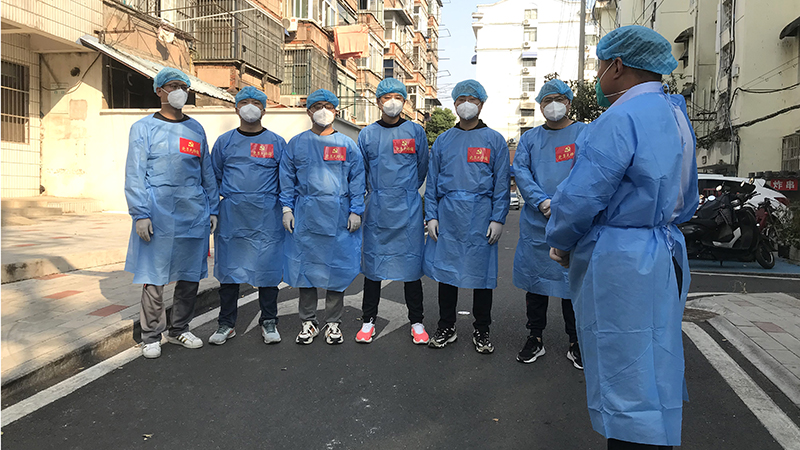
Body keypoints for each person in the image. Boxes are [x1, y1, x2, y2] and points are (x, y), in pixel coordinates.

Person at [545, 25, 698, 450]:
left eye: (599, 66)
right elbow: (688, 195)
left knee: (625, 371)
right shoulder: (675, 114)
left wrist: (561, 240)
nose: (597, 76)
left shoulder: (618, 120)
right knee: (657, 360)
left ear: (617, 65)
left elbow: (581, 198)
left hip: (622, 260)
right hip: (666, 249)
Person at [124, 67, 219, 359]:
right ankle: (151, 335)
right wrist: (140, 213)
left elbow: (206, 171)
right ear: (159, 91)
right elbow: (135, 173)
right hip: (158, 211)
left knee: (189, 276)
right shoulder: (143, 128)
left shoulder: (196, 129)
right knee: (155, 276)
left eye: (183, 87)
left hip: (193, 211)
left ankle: (180, 329)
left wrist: (213, 208)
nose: (180, 92)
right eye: (173, 86)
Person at [424, 79, 510, 354]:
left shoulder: (494, 140)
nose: (466, 104)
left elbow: (501, 184)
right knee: (447, 275)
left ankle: (482, 329)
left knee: (481, 276)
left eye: (472, 99)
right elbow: (432, 181)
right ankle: (446, 326)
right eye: (461, 99)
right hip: (448, 214)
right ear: (454, 104)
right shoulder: (443, 140)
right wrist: (431, 216)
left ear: (481, 104)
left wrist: (498, 218)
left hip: (481, 215)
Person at [280, 89, 366, 345]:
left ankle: (333, 322)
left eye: (328, 106)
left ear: (336, 111)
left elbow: (357, 179)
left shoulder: (347, 145)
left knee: (336, 269)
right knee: (305, 269)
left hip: (338, 216)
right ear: (308, 111)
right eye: (317, 106)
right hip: (306, 214)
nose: (323, 111)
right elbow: (286, 178)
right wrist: (286, 209)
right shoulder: (296, 144)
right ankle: (308, 321)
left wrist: (356, 210)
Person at [513, 79, 585, 368]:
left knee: (573, 284)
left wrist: (565, 204)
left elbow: (590, 171)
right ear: (540, 106)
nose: (553, 105)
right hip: (537, 221)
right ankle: (535, 337)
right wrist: (542, 202)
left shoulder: (585, 133)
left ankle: (576, 341)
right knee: (537, 283)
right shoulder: (530, 139)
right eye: (546, 101)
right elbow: (521, 171)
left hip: (574, 221)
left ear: (569, 101)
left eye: (558, 99)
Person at [208, 86, 286, 346]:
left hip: (268, 215)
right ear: (236, 108)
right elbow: (213, 177)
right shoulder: (224, 142)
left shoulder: (276, 143)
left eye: (256, 102)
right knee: (229, 271)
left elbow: (286, 180)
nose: (250, 107)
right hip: (233, 215)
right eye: (245, 102)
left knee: (268, 269)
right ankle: (226, 324)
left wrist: (287, 209)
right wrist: (213, 210)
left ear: (264, 109)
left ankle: (269, 321)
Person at [356, 78, 430, 345]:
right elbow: (361, 172)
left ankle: (417, 322)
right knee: (373, 268)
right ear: (378, 102)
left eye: (397, 97)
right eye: (386, 97)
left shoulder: (415, 131)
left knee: (411, 268)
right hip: (377, 207)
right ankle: (368, 321)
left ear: (405, 102)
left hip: (407, 207)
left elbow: (422, 168)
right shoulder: (367, 135)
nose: (392, 102)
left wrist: (405, 191)